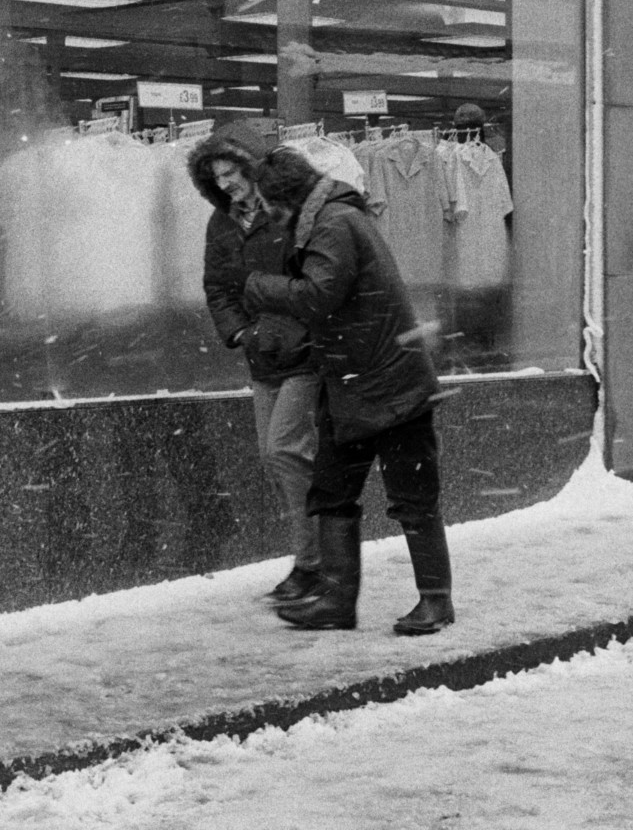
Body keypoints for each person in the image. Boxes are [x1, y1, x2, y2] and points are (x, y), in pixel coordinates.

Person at [221, 145, 454, 636]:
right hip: (351, 382)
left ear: (283, 197)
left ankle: (436, 601)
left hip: (391, 385)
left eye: (267, 203)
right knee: (331, 492)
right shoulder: (321, 221)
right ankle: (337, 600)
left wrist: (259, 287)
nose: (265, 213)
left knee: (412, 498)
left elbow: (319, 295)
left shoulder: (333, 224)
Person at [187, 122, 323, 605]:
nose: (226, 183)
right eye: (216, 177)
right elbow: (218, 286)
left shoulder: (286, 209)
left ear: (250, 166)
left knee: (286, 450)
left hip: (307, 352)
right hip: (262, 353)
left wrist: (288, 327)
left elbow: (317, 277)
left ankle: (316, 562)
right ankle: (317, 554)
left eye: (231, 172)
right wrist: (242, 332)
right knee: (277, 456)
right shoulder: (221, 222)